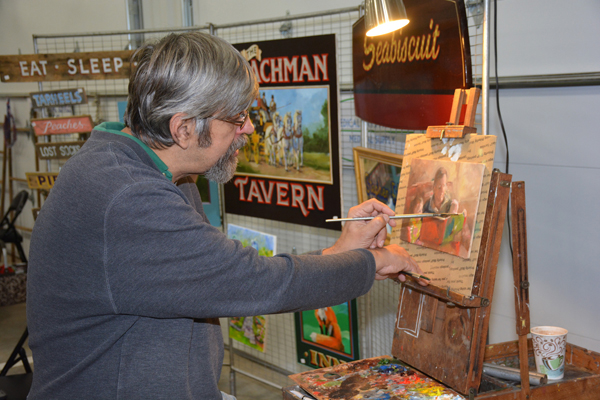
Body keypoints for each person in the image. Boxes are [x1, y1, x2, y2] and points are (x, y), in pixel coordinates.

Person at [26, 32, 426, 400]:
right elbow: (255, 282)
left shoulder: (160, 171)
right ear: (183, 128)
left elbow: (222, 276)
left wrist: (343, 251)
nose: (250, 128)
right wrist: (369, 261)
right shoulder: (128, 198)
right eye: (236, 119)